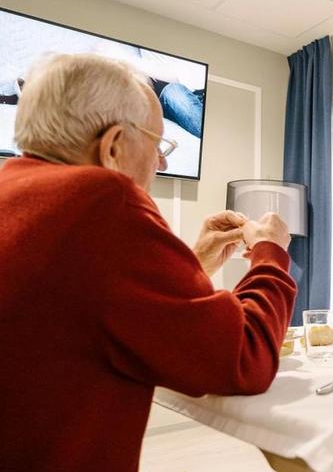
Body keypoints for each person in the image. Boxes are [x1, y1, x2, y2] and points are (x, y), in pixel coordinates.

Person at [0, 53, 297, 472]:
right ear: (113, 146)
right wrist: (271, 253)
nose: (162, 163)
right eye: (157, 144)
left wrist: (195, 262)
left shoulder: (15, 192)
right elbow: (244, 359)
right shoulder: (103, 201)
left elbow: (95, 307)